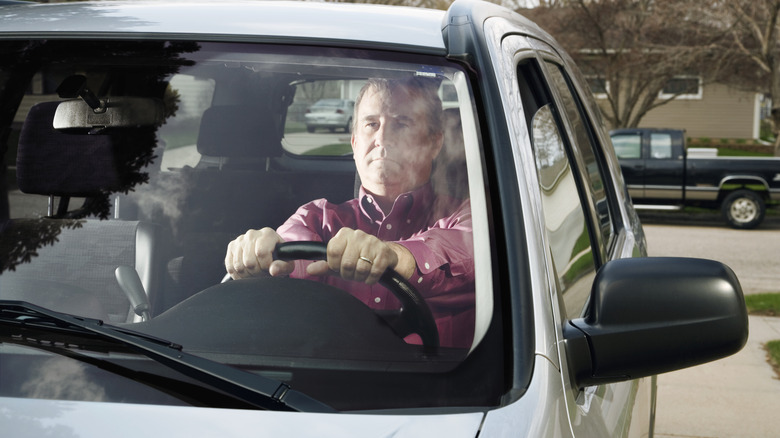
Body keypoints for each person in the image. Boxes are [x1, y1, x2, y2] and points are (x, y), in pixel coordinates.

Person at [224, 77, 474, 348]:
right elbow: (287, 254)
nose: (382, 138)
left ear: (435, 143)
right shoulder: (316, 217)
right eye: (371, 124)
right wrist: (260, 255)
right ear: (354, 143)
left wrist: (391, 256)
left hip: (440, 385)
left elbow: (450, 252)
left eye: (401, 123)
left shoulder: (466, 217)